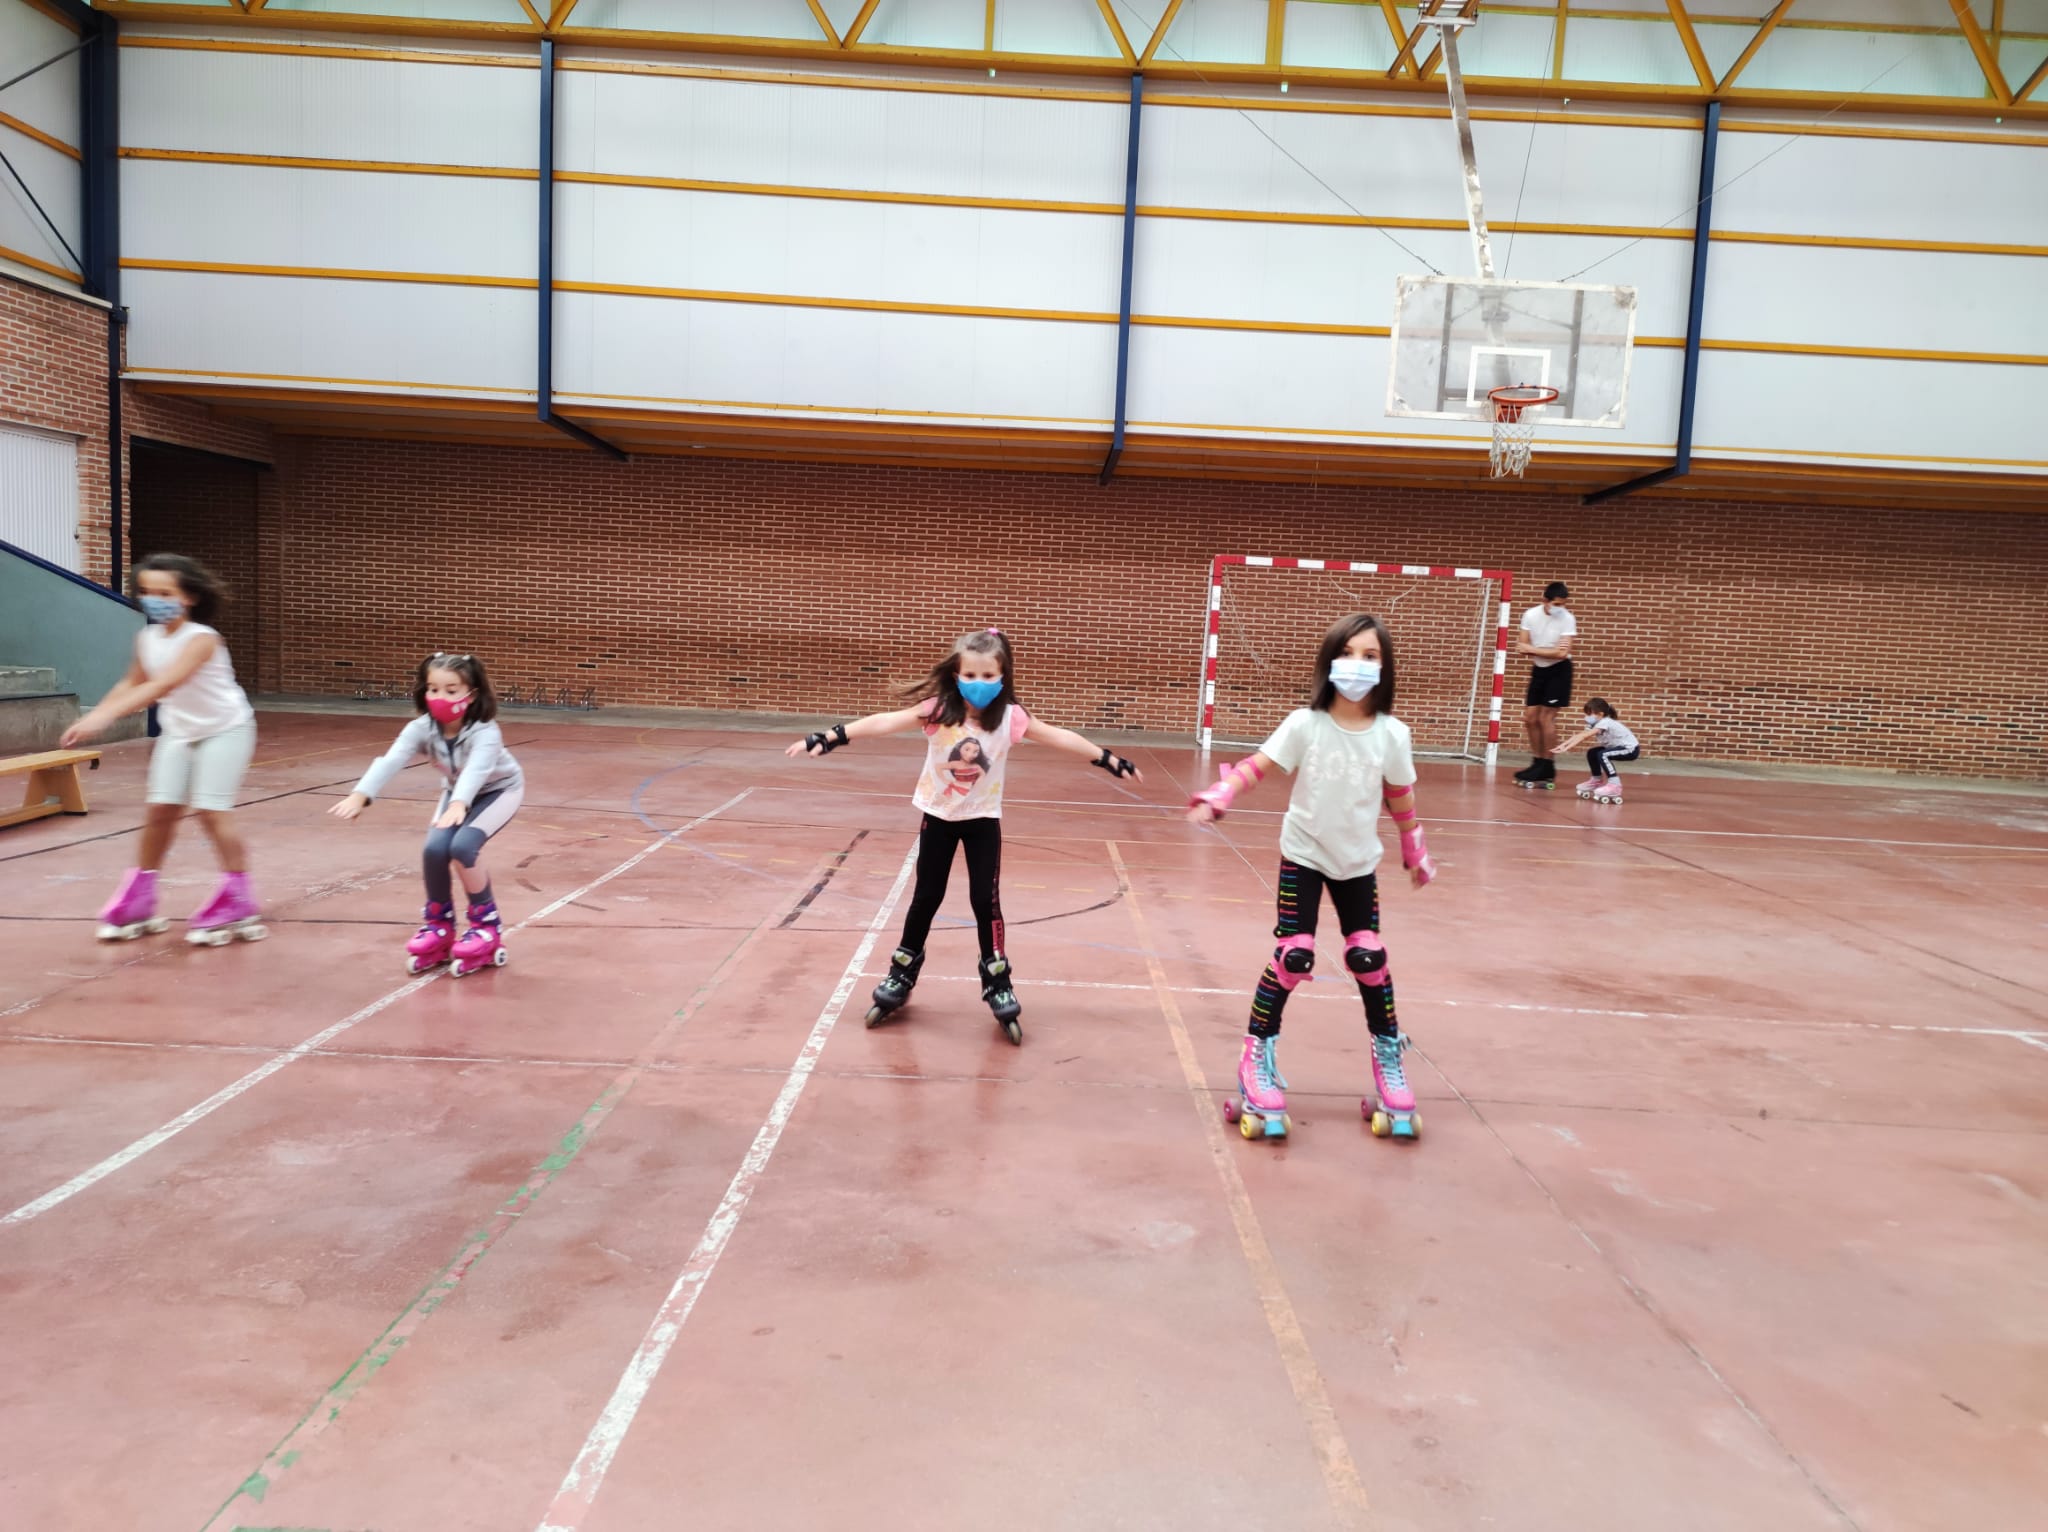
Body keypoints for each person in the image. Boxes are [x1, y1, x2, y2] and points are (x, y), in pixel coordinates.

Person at [785, 627, 1140, 1044]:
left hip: (982, 822)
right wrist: (831, 736)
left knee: (984, 901)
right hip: (938, 817)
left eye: (989, 676)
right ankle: (902, 972)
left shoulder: (1011, 718)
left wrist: (1107, 759)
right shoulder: (939, 711)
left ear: (1003, 676)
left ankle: (997, 978)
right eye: (970, 675)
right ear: (956, 674)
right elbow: (885, 721)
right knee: (926, 897)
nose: (980, 684)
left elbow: (1059, 736)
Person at [1186, 613, 1436, 1143]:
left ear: (1385, 668)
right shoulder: (1306, 724)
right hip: (1303, 855)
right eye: (1350, 653)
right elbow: (1259, 765)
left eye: (1372, 656)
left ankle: (1389, 1059)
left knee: (1368, 957)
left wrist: (1414, 845)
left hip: (1358, 862)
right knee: (1294, 955)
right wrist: (1221, 794)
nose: (1360, 665)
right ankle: (1256, 1055)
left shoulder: (1393, 734)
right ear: (1330, 661)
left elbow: (1400, 796)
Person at [62, 553, 264, 946]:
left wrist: (105, 719)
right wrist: (96, 711)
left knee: (210, 810)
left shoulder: (202, 639)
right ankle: (140, 893)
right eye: (147, 592)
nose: (155, 599)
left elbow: (162, 686)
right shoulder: (147, 638)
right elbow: (132, 682)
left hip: (225, 729)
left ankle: (238, 897)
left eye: (165, 593)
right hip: (179, 732)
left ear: (187, 597)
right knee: (160, 810)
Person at [329, 653, 524, 976]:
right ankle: (439, 925)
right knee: (434, 850)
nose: (440, 697)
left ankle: (486, 925)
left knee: (462, 848)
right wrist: (362, 793)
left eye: (451, 690)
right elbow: (392, 759)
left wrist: (460, 803)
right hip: (455, 794)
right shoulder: (421, 728)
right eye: (433, 689)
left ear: (470, 694)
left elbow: (477, 771)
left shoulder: (485, 731)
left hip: (497, 790)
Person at [1513, 581, 1578, 789]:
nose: (1560, 609)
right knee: (1530, 718)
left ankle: (1549, 764)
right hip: (1539, 670)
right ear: (1545, 601)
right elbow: (1521, 647)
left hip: (1559, 671)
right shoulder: (1530, 615)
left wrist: (1534, 649)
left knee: (1546, 718)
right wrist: (1541, 651)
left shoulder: (1568, 619)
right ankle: (1538, 761)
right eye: (1557, 604)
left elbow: (1561, 654)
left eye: (1563, 605)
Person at [1560, 697, 1641, 804]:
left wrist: (1566, 747)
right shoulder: (1594, 723)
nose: (1587, 717)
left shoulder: (1605, 722)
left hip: (1630, 749)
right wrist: (1564, 745)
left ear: (1600, 714)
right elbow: (1581, 735)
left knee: (1603, 755)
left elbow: (1584, 736)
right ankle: (1596, 781)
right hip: (1615, 747)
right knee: (1592, 753)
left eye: (1589, 714)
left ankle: (1614, 785)